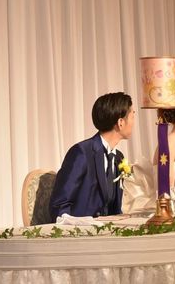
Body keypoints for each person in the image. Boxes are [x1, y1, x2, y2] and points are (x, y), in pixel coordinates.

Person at [49, 92, 135, 220]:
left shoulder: (119, 158)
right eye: (133, 116)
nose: (134, 122)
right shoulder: (81, 152)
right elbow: (59, 205)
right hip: (80, 229)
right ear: (121, 122)